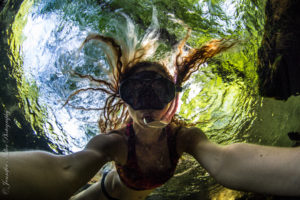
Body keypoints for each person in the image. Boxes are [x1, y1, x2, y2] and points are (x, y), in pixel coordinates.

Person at [1, 13, 300, 200]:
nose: (148, 105)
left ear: (172, 96)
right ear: (124, 98)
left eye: (158, 90)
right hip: (107, 194)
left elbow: (224, 161)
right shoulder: (114, 143)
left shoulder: (184, 138)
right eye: (137, 91)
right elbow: (65, 170)